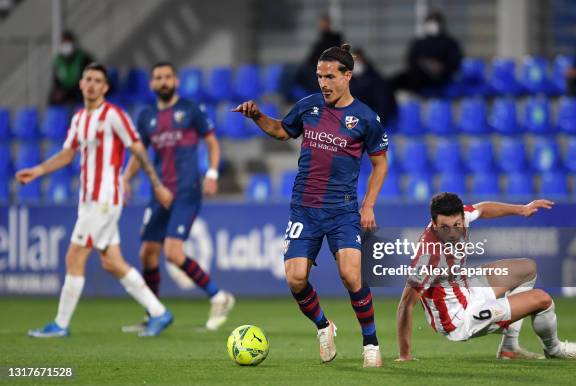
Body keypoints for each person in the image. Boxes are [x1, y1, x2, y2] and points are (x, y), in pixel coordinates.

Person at [233, 44, 389, 367]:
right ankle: (323, 326)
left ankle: (370, 343)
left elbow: (381, 163)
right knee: (296, 278)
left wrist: (369, 204)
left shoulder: (365, 118)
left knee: (350, 275)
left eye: (330, 76)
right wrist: (257, 115)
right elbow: (281, 130)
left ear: (348, 76)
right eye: (320, 76)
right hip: (304, 207)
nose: (324, 83)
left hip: (342, 209)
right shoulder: (309, 107)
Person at [17, 63, 174, 338]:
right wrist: (39, 170)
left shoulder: (114, 116)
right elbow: (67, 154)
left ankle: (60, 324)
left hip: (104, 198)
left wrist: (156, 184)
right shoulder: (79, 119)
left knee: (74, 255)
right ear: (80, 84)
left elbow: (138, 148)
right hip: (88, 200)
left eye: (97, 80)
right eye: (87, 79)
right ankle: (160, 313)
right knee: (112, 262)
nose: (91, 84)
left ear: (105, 87)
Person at [396, 192, 576, 361]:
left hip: (466, 289)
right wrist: (405, 356)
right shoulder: (428, 256)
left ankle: (509, 348)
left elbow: (482, 208)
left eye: (456, 225)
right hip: (458, 319)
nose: (451, 232)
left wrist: (521, 209)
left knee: (527, 269)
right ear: (433, 222)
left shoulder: (462, 216)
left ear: (461, 217)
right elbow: (406, 304)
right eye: (444, 227)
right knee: (543, 300)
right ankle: (554, 349)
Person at [122, 62, 234, 333]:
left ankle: (219, 297)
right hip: (159, 192)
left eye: (167, 77)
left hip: (186, 191)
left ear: (176, 81)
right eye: (158, 77)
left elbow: (212, 142)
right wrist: (125, 179)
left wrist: (212, 173)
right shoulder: (146, 116)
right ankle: (154, 313)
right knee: (147, 253)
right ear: (151, 84)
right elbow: (140, 154)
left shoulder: (190, 110)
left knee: (172, 252)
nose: (163, 81)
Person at [391, 11, 462, 95]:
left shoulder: (450, 43)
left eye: (435, 21)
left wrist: (441, 67)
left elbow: (455, 62)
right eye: (430, 21)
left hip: (443, 77)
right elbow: (411, 60)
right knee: (394, 81)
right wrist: (424, 64)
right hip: (420, 76)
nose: (432, 25)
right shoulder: (419, 43)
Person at [294, 14, 344, 95]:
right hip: (315, 67)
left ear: (328, 23)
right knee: (300, 74)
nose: (321, 25)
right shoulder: (321, 38)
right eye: (320, 23)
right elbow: (313, 56)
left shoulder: (334, 38)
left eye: (323, 23)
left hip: (326, 68)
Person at [350, 48, 397, 126]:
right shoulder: (346, 81)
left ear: (363, 61)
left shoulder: (375, 79)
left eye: (358, 61)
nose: (356, 64)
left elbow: (383, 103)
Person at [49, 30, 95, 105]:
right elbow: (56, 80)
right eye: (64, 42)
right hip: (65, 91)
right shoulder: (58, 61)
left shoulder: (84, 58)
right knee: (53, 98)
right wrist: (58, 91)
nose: (66, 45)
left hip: (79, 89)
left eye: (68, 42)